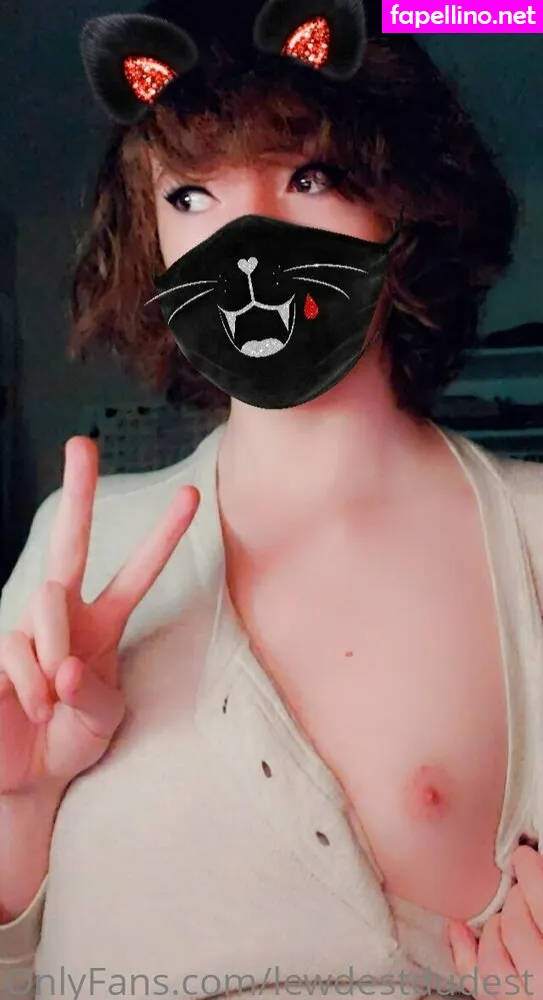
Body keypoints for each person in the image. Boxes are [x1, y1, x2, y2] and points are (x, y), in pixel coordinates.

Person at [1, 0, 543, 997]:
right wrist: (21, 799)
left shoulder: (532, 537)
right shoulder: (78, 549)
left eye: (308, 177)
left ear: (402, 208)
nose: (246, 243)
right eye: (191, 195)